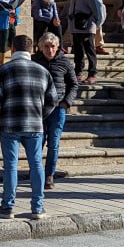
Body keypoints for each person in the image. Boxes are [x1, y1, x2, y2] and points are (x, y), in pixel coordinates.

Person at [0, 34, 57, 218]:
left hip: (9, 125)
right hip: (35, 125)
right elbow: (52, 100)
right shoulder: (42, 71)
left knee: (11, 165)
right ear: (32, 50)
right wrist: (40, 116)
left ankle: (7, 206)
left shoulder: (3, 70)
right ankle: (37, 207)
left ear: (12, 49)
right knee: (36, 165)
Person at [34, 33, 77, 191]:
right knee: (37, 142)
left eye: (52, 46)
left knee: (54, 144)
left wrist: (67, 102)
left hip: (58, 109)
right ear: (40, 47)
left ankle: (49, 175)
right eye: (46, 46)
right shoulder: (34, 61)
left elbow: (73, 84)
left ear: (57, 47)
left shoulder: (65, 62)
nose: (49, 50)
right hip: (38, 109)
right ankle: (36, 173)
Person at [64, 0, 106, 84]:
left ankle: (92, 74)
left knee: (90, 51)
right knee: (78, 52)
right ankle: (78, 72)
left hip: (87, 28)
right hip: (76, 28)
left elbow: (99, 11)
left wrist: (97, 25)